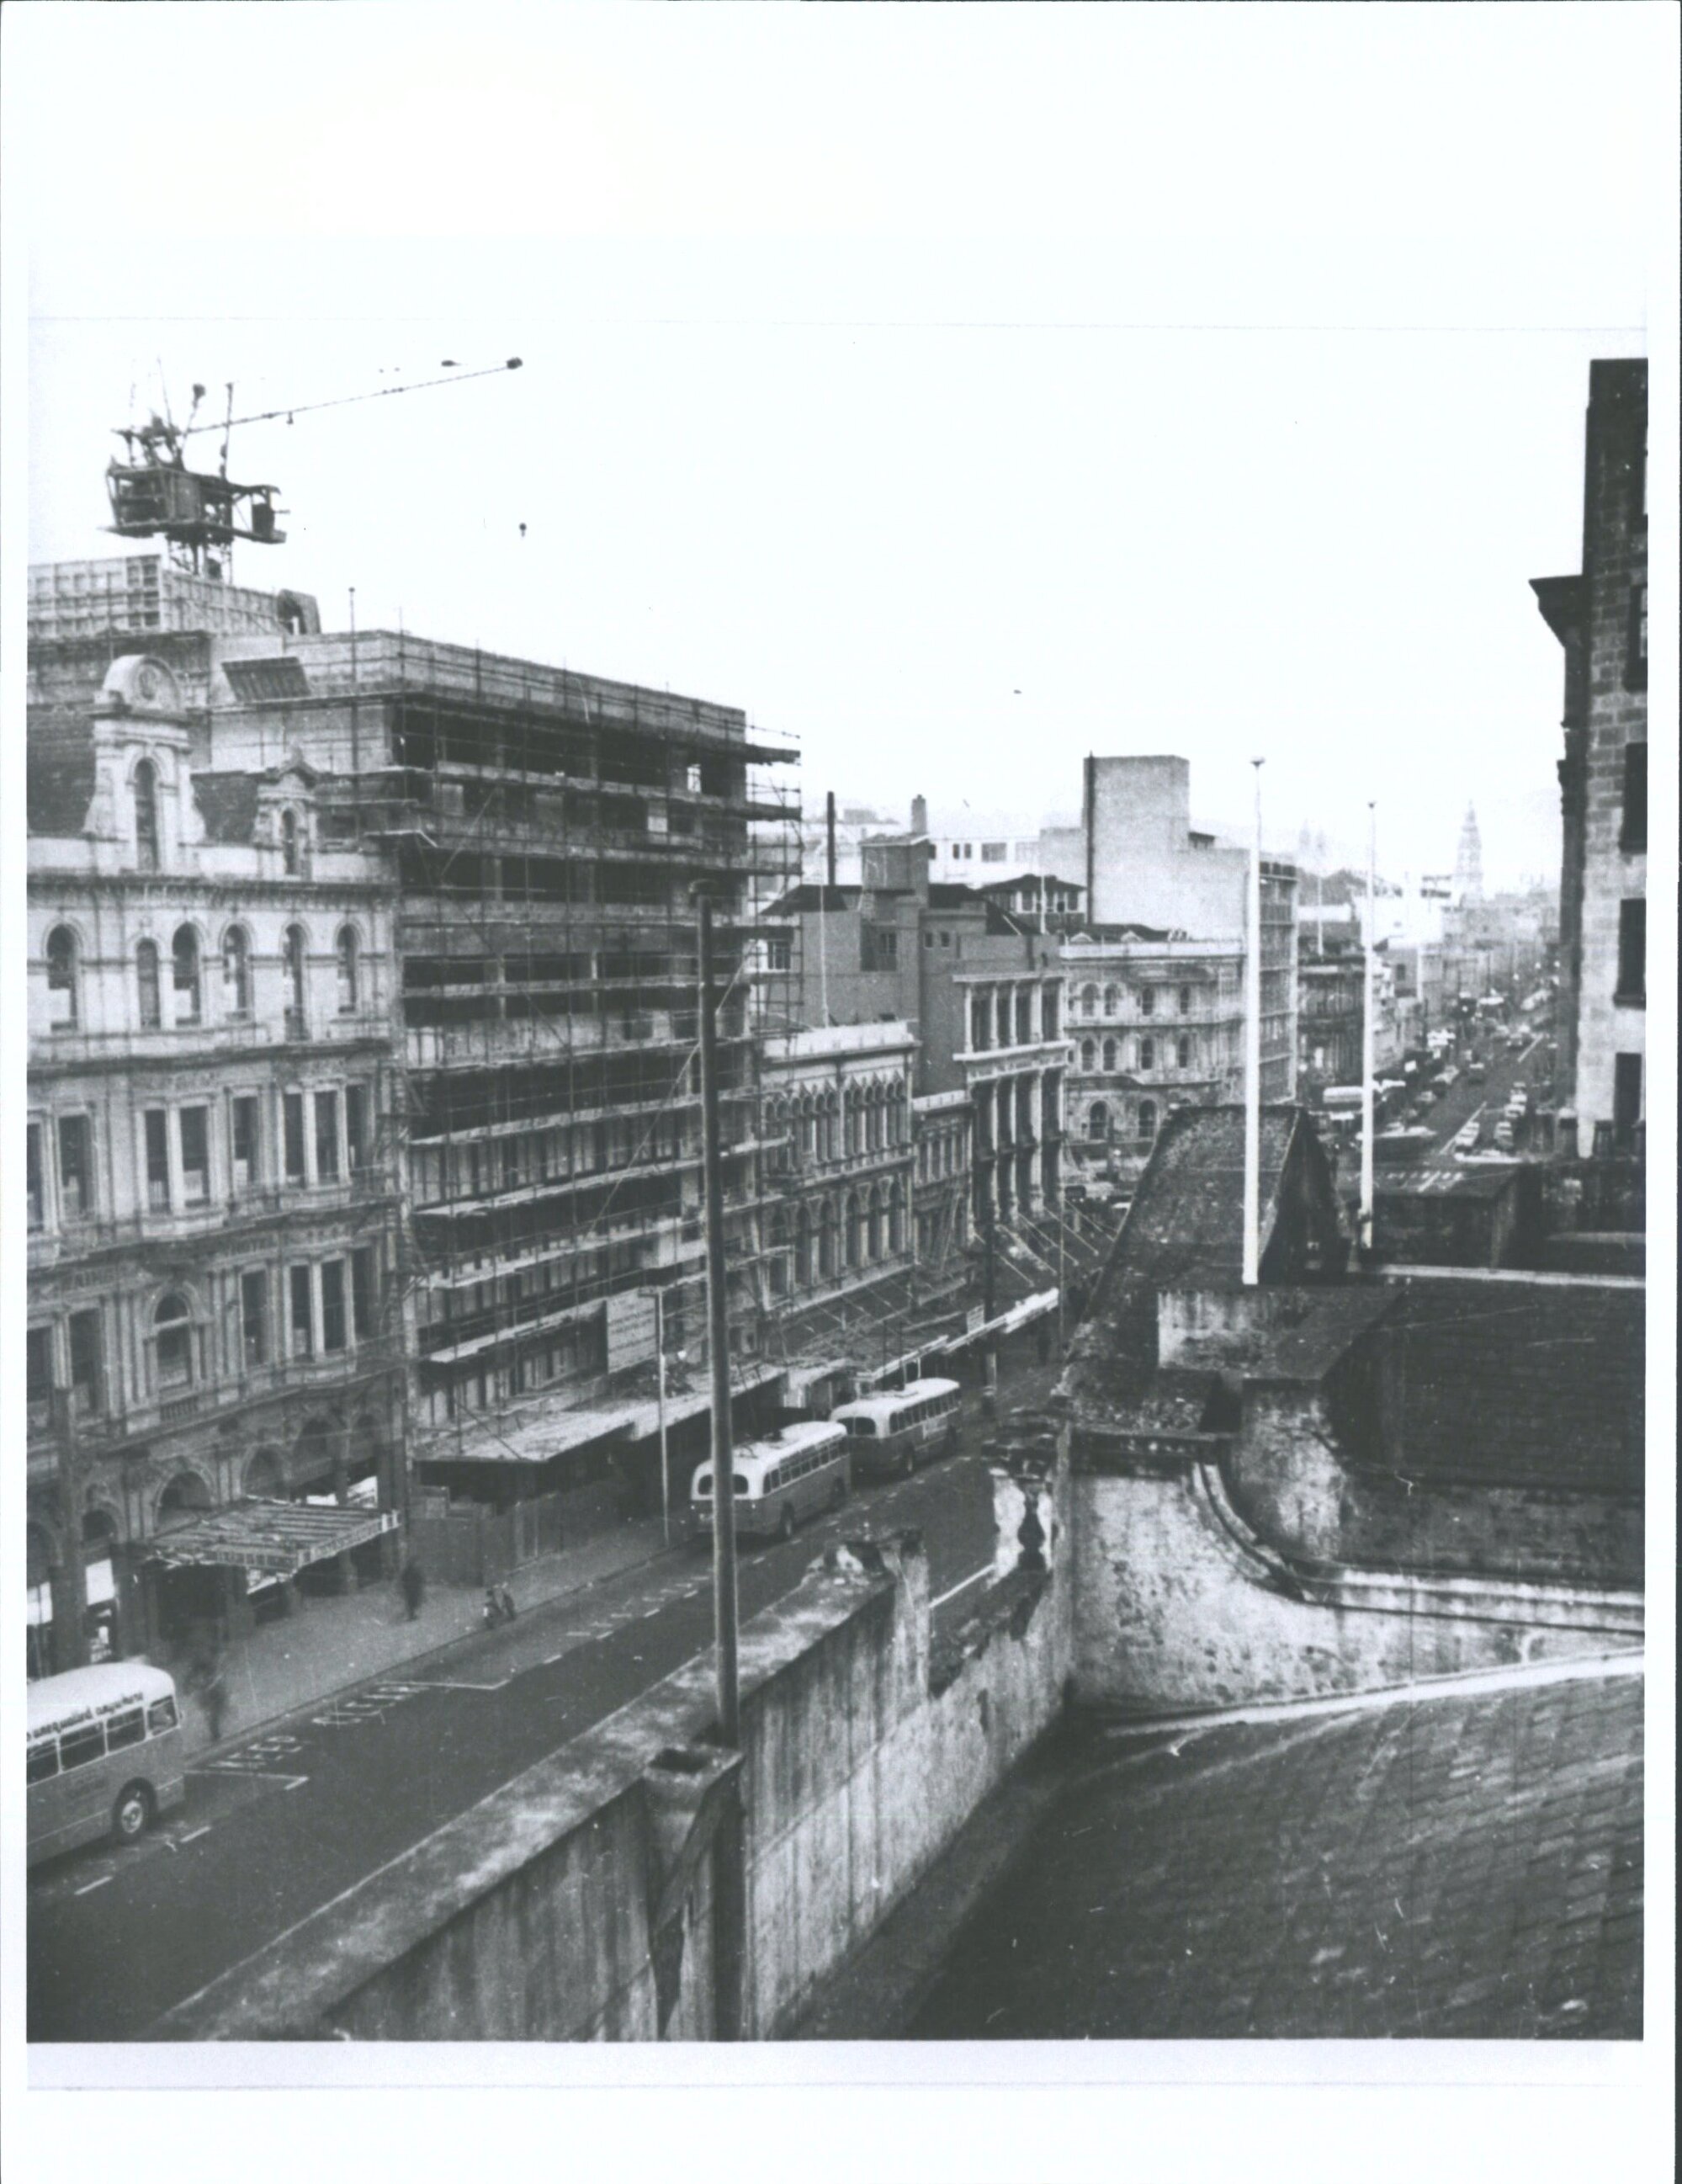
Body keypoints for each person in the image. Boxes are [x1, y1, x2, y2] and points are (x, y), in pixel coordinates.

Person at [401, 1557, 425, 1622]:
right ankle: (411, 1614)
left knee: (412, 1602)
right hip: (412, 1589)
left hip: (411, 1589)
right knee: (412, 1602)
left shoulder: (410, 1570)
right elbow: (420, 1579)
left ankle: (411, 1614)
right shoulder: (413, 1570)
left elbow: (403, 1578)